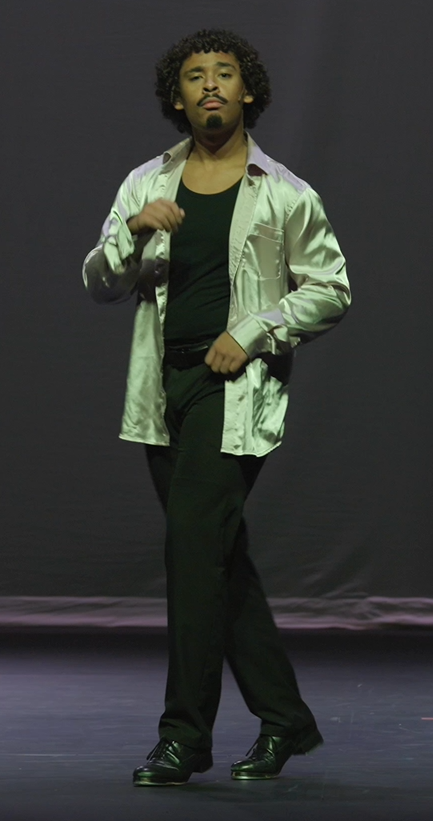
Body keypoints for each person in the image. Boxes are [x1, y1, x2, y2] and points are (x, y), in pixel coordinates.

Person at [82, 28, 351, 786]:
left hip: (231, 391)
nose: (209, 84)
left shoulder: (284, 191)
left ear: (247, 91)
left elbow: (331, 288)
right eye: (194, 75)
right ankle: (285, 719)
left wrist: (254, 330)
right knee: (215, 558)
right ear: (177, 98)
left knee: (191, 551)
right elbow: (99, 281)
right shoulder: (146, 183)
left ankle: (184, 735)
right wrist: (131, 232)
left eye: (224, 73)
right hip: (161, 392)